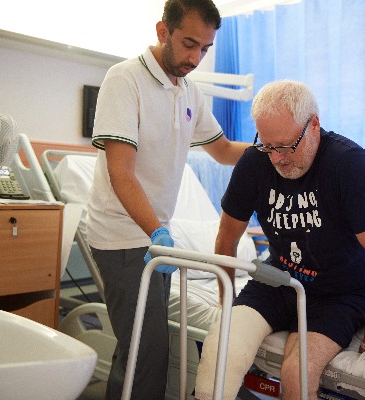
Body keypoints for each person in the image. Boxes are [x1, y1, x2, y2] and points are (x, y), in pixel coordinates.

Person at [194, 80, 365, 400]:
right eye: (268, 146)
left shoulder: (349, 164)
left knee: (296, 374)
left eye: (286, 146)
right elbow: (226, 239)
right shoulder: (254, 162)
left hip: (339, 291)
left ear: (315, 125)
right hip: (278, 279)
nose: (277, 158)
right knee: (220, 354)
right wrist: (226, 303)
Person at [85, 1, 250, 399]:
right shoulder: (124, 80)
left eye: (205, 49)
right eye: (189, 44)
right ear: (163, 32)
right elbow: (120, 172)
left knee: (140, 350)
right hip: (122, 238)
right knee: (146, 353)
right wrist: (156, 230)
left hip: (156, 240)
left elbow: (224, 149)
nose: (196, 58)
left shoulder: (189, 89)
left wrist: (276, 150)